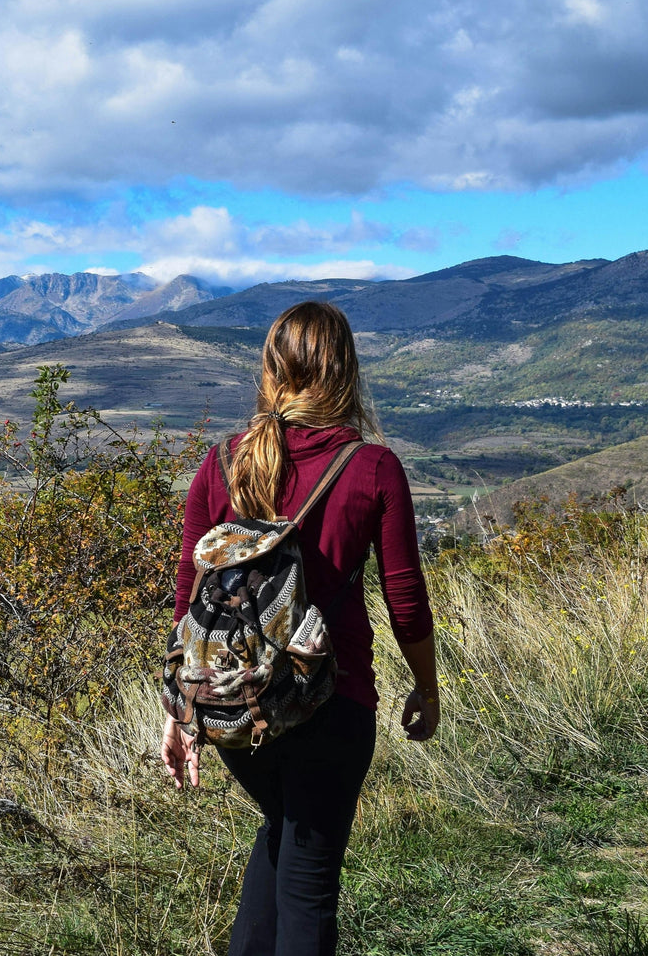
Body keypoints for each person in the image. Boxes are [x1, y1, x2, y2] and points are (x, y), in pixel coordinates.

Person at [161, 300, 438, 956]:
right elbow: (405, 599)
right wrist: (427, 688)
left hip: (234, 706)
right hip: (329, 704)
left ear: (271, 369)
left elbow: (189, 589)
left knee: (282, 839)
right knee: (309, 891)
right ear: (345, 370)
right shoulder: (371, 468)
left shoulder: (223, 460)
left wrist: (179, 709)